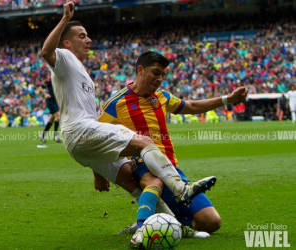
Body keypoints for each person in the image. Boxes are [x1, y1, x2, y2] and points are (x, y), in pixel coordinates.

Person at [41, 0, 215, 218]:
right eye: (82, 36)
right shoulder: (64, 58)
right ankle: (181, 189)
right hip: (79, 129)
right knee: (145, 142)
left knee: (131, 180)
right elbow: (47, 52)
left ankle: (161, 224)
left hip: (79, 140)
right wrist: (65, 18)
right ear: (66, 43)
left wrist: (98, 168)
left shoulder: (79, 70)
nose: (89, 40)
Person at [97, 51, 248, 247]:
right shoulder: (115, 103)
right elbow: (94, 138)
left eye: (162, 75)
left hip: (172, 169)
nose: (159, 79)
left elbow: (192, 106)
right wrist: (98, 172)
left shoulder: (162, 97)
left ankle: (162, 222)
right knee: (156, 181)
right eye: (155, 72)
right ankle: (144, 228)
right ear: (140, 70)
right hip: (141, 163)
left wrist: (228, 99)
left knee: (212, 222)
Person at [38, 77, 61, 143]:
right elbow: (40, 87)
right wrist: (45, 94)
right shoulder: (50, 80)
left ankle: (43, 135)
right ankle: (55, 135)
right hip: (50, 101)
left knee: (51, 119)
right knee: (58, 117)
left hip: (56, 101)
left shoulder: (59, 80)